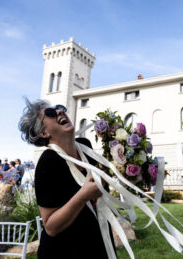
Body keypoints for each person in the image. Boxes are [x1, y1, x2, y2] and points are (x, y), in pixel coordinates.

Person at [19, 99, 113, 259]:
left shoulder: (85, 146)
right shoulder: (47, 162)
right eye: (49, 113)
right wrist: (83, 196)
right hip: (64, 251)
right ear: (43, 133)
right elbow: (50, 227)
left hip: (97, 243)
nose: (59, 112)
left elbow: (100, 192)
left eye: (60, 108)